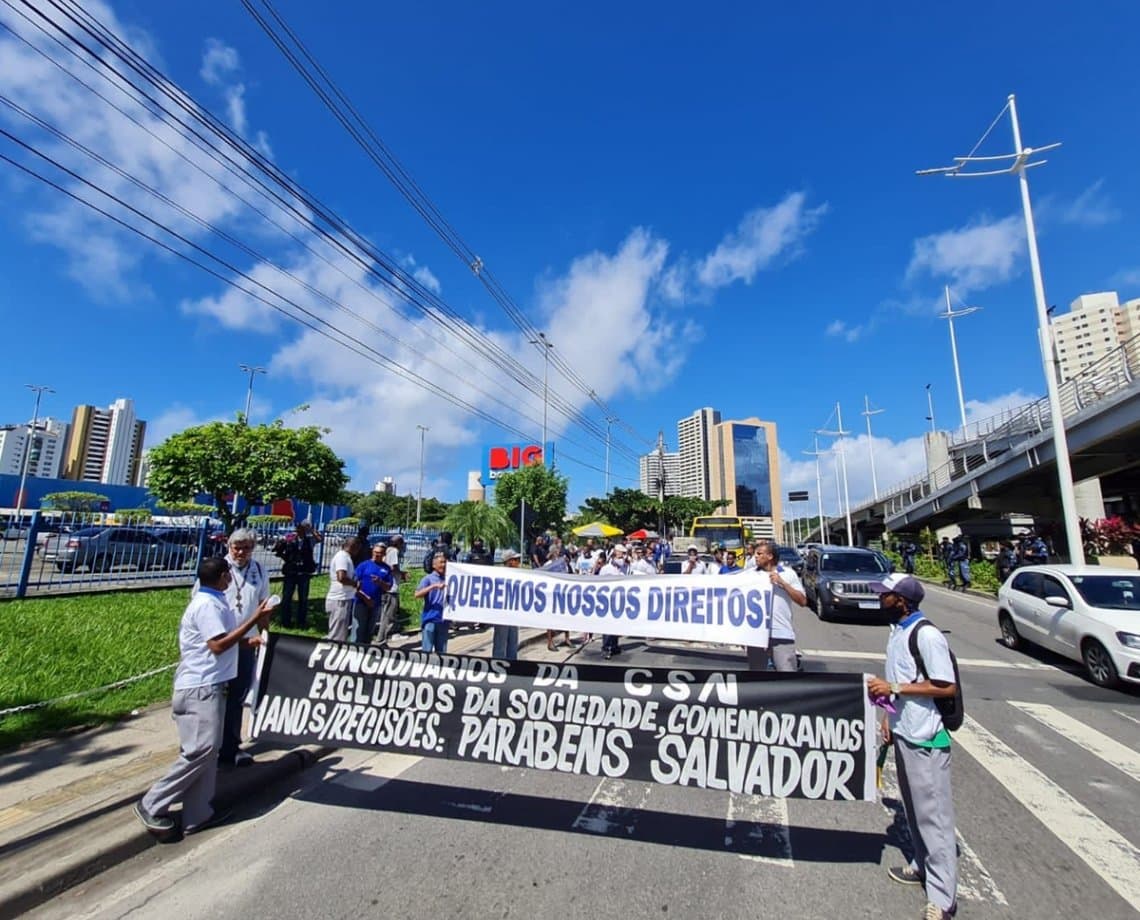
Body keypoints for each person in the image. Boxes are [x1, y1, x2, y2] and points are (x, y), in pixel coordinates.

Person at [135, 556, 274, 837]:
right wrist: (254, 621)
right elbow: (217, 645)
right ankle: (152, 803)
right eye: (228, 576)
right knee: (201, 750)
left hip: (211, 685)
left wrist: (252, 641)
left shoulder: (216, 601)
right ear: (223, 576)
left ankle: (198, 814)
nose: (230, 579)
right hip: (200, 687)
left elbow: (224, 641)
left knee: (208, 754)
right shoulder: (207, 604)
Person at [865, 574, 959, 920]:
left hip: (926, 737)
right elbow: (896, 686)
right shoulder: (897, 632)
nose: (880, 599)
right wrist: (889, 717)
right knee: (916, 811)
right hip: (905, 732)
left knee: (933, 816)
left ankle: (943, 898)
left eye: (885, 595)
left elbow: (945, 686)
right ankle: (922, 865)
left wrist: (896, 687)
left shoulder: (927, 635)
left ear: (901, 600)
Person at [207, 528, 268, 769]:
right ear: (228, 547)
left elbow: (264, 605)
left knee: (237, 695)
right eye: (236, 547)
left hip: (247, 642)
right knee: (213, 695)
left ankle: (231, 746)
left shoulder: (259, 570)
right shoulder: (216, 569)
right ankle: (208, 745)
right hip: (221, 641)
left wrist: (266, 633)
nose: (241, 552)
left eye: (246, 548)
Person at [748, 540, 806, 672]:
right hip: (755, 634)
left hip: (781, 633)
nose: (755, 556)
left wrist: (782, 583)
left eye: (759, 553)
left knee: (786, 674)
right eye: (755, 554)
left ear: (770, 556)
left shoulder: (788, 573)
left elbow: (802, 601)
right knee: (756, 675)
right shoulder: (750, 575)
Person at [273, 521, 322, 629]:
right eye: (299, 529)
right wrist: (287, 559)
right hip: (291, 572)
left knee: (303, 599)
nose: (300, 531)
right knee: (287, 597)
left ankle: (301, 621)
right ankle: (286, 621)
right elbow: (278, 550)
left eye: (303, 529)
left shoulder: (309, 541)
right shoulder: (290, 539)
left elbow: (319, 539)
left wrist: (312, 529)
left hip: (304, 572)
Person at [352, 542, 393, 644]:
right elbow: (354, 584)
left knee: (369, 630)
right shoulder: (363, 565)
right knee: (358, 630)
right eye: (374, 552)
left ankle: (366, 649)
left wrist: (380, 582)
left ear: (384, 554)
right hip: (361, 602)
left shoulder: (386, 568)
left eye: (379, 553)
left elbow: (388, 587)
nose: (376, 555)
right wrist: (365, 597)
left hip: (376, 603)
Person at [325, 536, 359, 642]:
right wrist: (355, 584)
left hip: (343, 598)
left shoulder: (346, 557)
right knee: (337, 633)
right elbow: (341, 577)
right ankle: (333, 651)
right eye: (358, 548)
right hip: (340, 599)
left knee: (341, 631)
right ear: (354, 546)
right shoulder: (342, 557)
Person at [597, 545, 629, 659]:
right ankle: (606, 647)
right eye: (622, 553)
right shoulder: (606, 569)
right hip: (607, 600)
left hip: (619, 599)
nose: (623, 556)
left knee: (617, 624)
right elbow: (599, 583)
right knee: (607, 624)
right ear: (615, 553)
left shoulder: (624, 568)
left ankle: (614, 645)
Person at [415, 551, 449, 654]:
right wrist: (433, 586)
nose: (443, 565)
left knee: (442, 651)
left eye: (445, 562)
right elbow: (417, 594)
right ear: (434, 565)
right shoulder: (428, 579)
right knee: (427, 650)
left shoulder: (449, 578)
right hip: (430, 619)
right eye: (441, 562)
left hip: (443, 620)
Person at [493, 550, 522, 660]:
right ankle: (497, 666)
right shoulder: (499, 575)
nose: (518, 562)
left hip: (513, 613)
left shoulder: (519, 574)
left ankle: (513, 668)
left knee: (513, 642)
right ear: (509, 561)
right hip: (501, 614)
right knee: (500, 643)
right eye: (516, 560)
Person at [382, 535, 407, 645]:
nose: (403, 545)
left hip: (388, 584)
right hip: (392, 586)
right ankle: (391, 633)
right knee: (391, 611)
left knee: (389, 610)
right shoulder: (394, 551)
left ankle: (386, 633)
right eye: (402, 543)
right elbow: (393, 567)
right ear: (397, 543)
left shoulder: (387, 550)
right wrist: (402, 574)